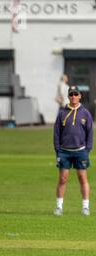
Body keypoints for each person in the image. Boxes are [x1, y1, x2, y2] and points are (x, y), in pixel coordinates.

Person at [53, 86, 93, 216]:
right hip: (64, 151)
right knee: (63, 179)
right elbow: (56, 133)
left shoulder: (85, 113)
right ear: (68, 96)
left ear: (80, 96)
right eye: (71, 95)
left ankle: (85, 207)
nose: (73, 97)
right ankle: (59, 207)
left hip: (81, 151)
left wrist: (87, 149)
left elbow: (90, 133)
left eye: (76, 94)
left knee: (82, 178)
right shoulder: (62, 113)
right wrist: (58, 150)